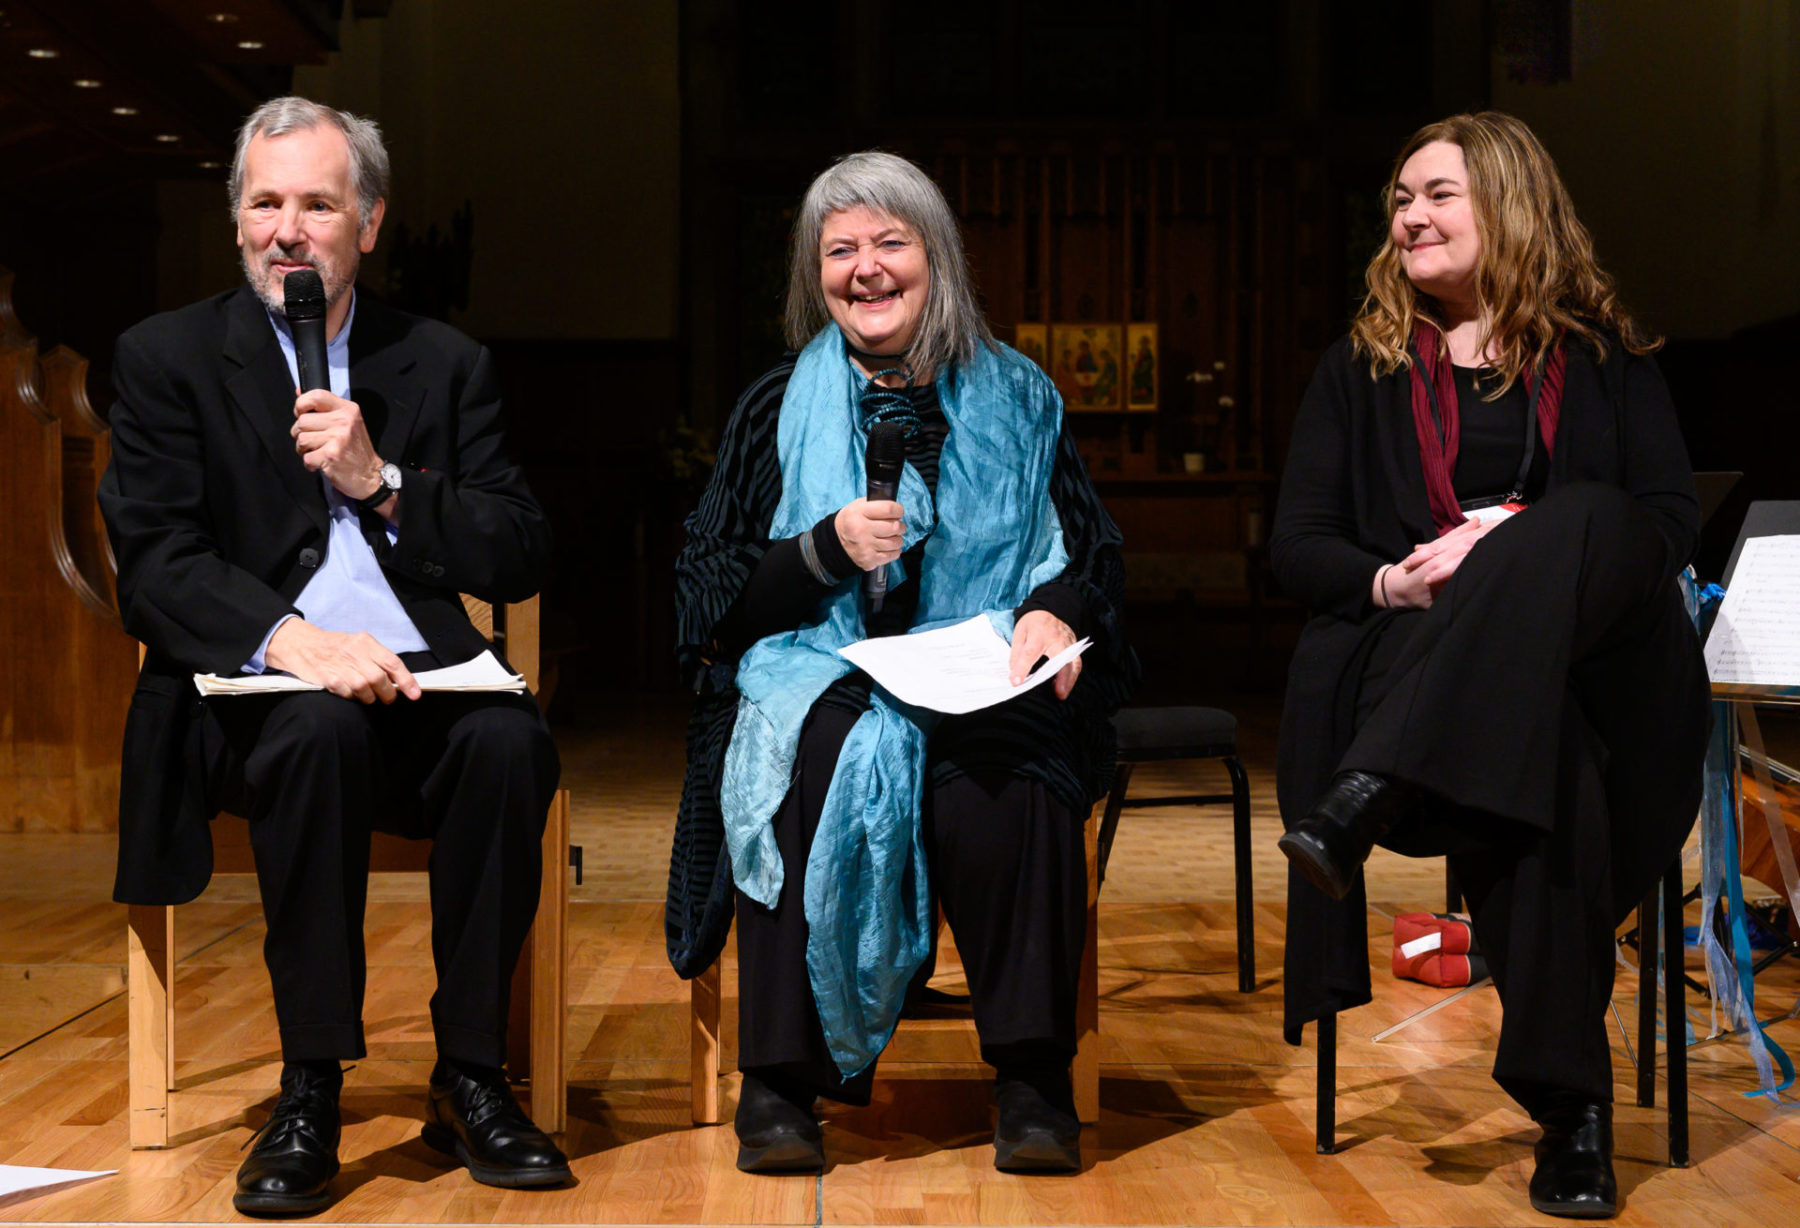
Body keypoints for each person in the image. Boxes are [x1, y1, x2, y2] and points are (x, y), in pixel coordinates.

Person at [98, 97, 569, 1215]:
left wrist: (384, 482)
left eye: (317, 203)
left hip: (418, 682)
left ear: (369, 222)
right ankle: (309, 1084)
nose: (287, 230)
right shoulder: (167, 357)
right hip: (248, 704)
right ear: (237, 220)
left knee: (509, 742)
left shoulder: (442, 362)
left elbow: (518, 545)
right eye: (265, 203)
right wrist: (291, 638)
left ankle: (469, 1078)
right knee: (314, 726)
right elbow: (155, 560)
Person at [1270, 111, 1710, 1219]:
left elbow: (1664, 525)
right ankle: (1576, 1114)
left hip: (1602, 677)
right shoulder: (1359, 369)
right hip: (1421, 663)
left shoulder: (1607, 362)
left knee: (1587, 520)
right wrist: (1397, 581)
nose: (1410, 216)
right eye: (1400, 202)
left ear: (1509, 201)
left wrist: (1507, 538)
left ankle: (1361, 794)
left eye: (1437, 195)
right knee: (1542, 758)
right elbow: (1299, 542)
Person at [669, 150, 1137, 1175]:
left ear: (939, 262)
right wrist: (821, 550)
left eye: (891, 243)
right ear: (814, 273)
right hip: (820, 666)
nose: (866, 270)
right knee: (806, 750)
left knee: (1012, 774)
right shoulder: (772, 406)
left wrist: (1051, 613)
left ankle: (1029, 1074)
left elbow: (1088, 554)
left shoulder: (1019, 397)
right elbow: (708, 595)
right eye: (840, 251)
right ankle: (780, 1082)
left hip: (981, 670)